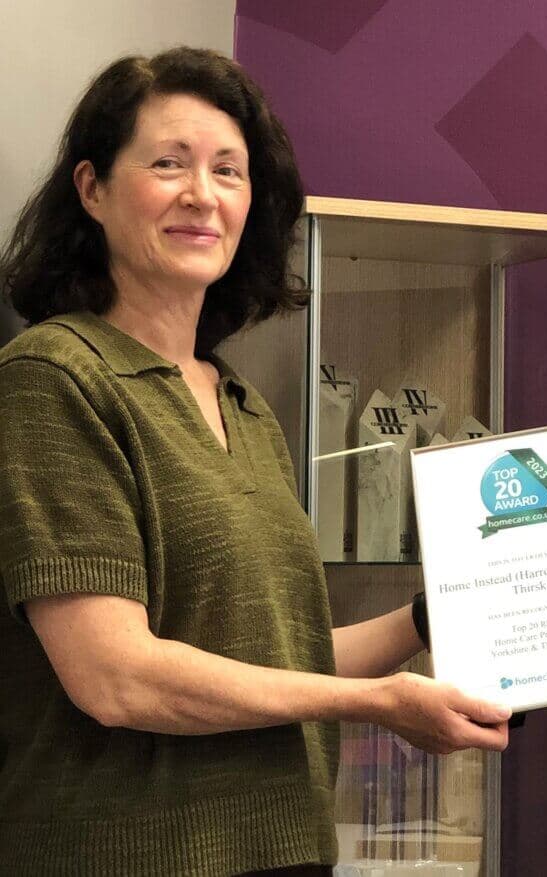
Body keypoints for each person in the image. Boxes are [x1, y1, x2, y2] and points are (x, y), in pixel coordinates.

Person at [0, 47, 509, 876]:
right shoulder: (55, 379)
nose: (203, 194)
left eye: (228, 171)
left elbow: (284, 659)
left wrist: (433, 617)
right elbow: (116, 676)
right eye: (169, 163)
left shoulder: (241, 404)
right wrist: (378, 704)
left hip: (282, 852)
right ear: (91, 189)